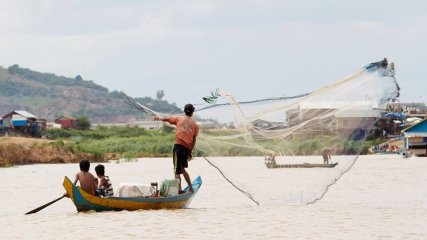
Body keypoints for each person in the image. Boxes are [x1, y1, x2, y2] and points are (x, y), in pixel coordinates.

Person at [154, 104, 199, 193]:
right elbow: (194, 140)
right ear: (192, 112)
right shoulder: (195, 124)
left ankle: (179, 190)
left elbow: (167, 119)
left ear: (184, 111)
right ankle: (190, 188)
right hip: (186, 149)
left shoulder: (179, 119)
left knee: (176, 170)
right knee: (182, 169)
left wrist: (158, 118)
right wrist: (190, 152)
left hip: (178, 147)